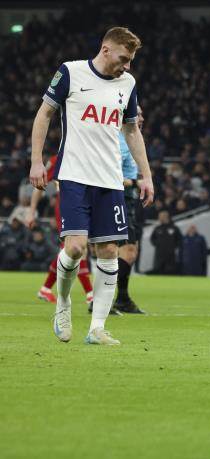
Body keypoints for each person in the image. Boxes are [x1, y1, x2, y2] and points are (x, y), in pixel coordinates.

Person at [29, 27, 154, 345]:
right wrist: (36, 160)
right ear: (106, 49)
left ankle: (97, 328)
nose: (127, 66)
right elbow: (44, 114)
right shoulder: (71, 72)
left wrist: (146, 174)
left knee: (110, 250)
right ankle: (63, 302)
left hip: (110, 179)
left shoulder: (128, 84)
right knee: (74, 248)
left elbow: (131, 131)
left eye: (131, 61)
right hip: (73, 175)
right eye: (124, 58)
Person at [26, 155, 96, 308]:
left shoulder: (91, 151)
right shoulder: (60, 157)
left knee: (68, 250)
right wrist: (31, 211)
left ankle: (45, 289)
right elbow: (39, 185)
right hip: (68, 206)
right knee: (77, 248)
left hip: (87, 205)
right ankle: (90, 295)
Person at [112, 105, 146, 314]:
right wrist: (135, 182)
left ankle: (121, 298)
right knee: (126, 250)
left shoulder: (132, 140)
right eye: (138, 114)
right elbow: (112, 176)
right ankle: (108, 298)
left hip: (130, 199)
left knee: (130, 251)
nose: (141, 117)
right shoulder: (119, 142)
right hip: (120, 198)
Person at [150, 210, 182, 274]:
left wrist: (173, 246)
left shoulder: (174, 228)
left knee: (170, 272)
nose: (159, 218)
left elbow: (180, 239)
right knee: (159, 272)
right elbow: (152, 238)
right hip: (159, 255)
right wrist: (157, 244)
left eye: (160, 216)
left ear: (166, 216)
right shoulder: (157, 228)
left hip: (170, 256)